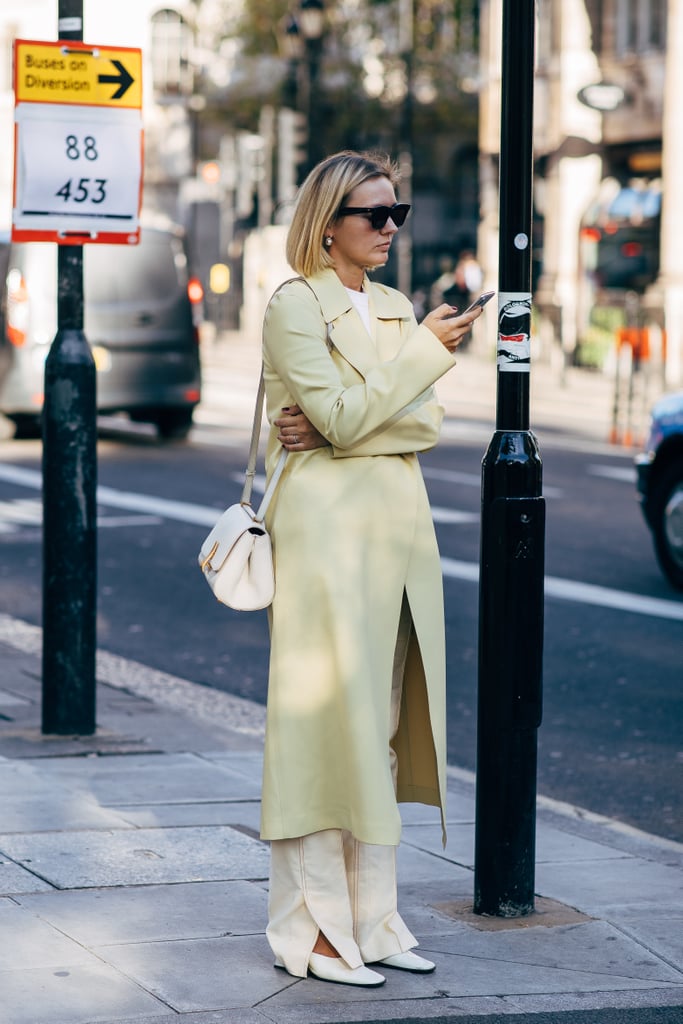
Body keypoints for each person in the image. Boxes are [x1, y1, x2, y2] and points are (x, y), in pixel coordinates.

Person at [259, 150, 482, 989]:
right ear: (328, 224)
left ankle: (373, 919)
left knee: (382, 731)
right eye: (373, 216)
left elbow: (413, 427)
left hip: (395, 536)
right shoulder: (294, 306)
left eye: (398, 214)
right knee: (326, 732)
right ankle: (310, 930)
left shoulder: (391, 307)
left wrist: (346, 424)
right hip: (322, 540)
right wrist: (410, 368)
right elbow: (354, 414)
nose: (390, 229)